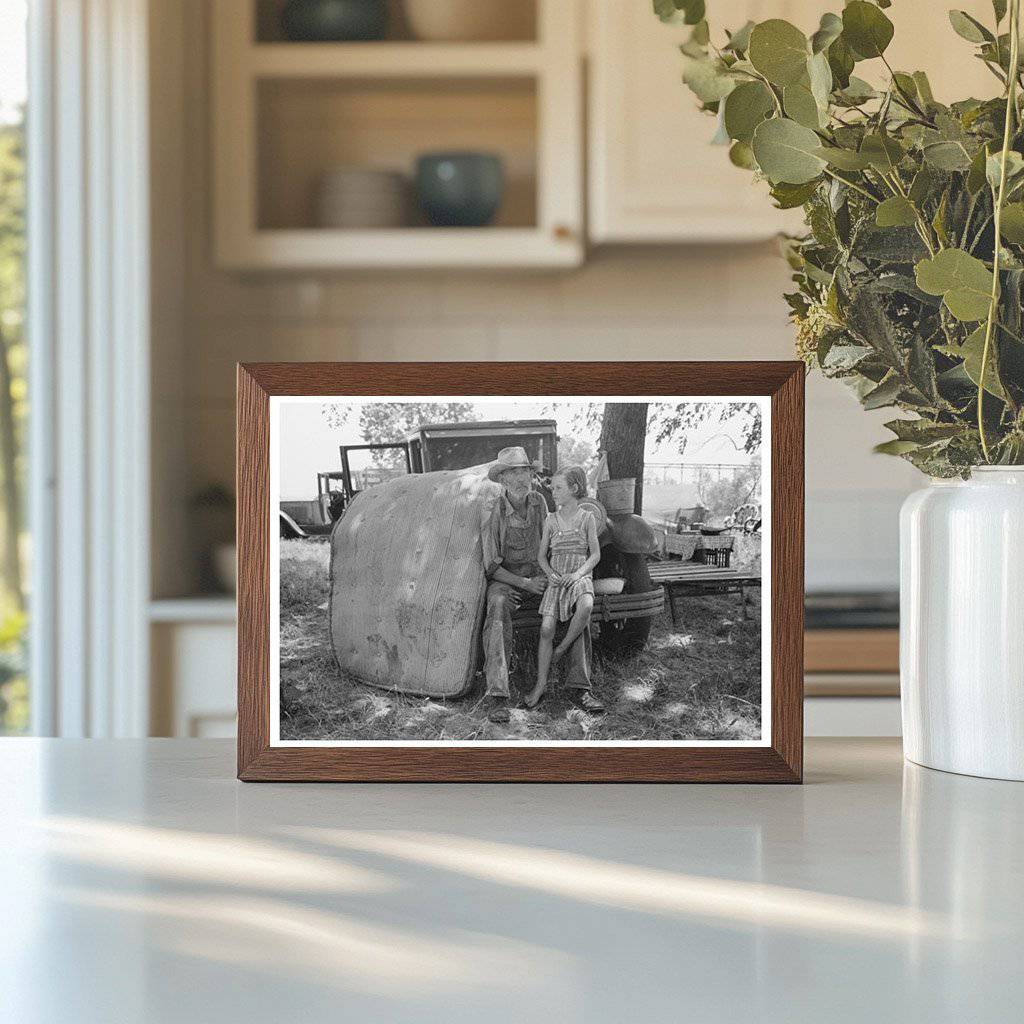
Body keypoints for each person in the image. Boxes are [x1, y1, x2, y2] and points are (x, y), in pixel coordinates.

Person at [480, 447, 605, 723]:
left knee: (577, 604)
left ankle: (579, 687)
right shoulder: (494, 511)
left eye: (525, 471)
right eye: (514, 473)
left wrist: (559, 577)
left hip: (541, 579)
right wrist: (524, 582)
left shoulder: (539, 503)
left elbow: (551, 548)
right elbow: (490, 566)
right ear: (503, 479)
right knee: (497, 605)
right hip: (508, 581)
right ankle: (498, 695)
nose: (521, 478)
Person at [525, 467, 601, 710]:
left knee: (586, 605)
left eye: (558, 488)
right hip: (558, 579)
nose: (553, 492)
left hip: (578, 577)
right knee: (546, 628)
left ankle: (563, 648)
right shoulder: (550, 521)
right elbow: (541, 557)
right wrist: (551, 575)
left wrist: (579, 574)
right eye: (552, 487)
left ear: (575, 489)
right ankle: (540, 684)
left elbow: (595, 554)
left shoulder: (587, 518)